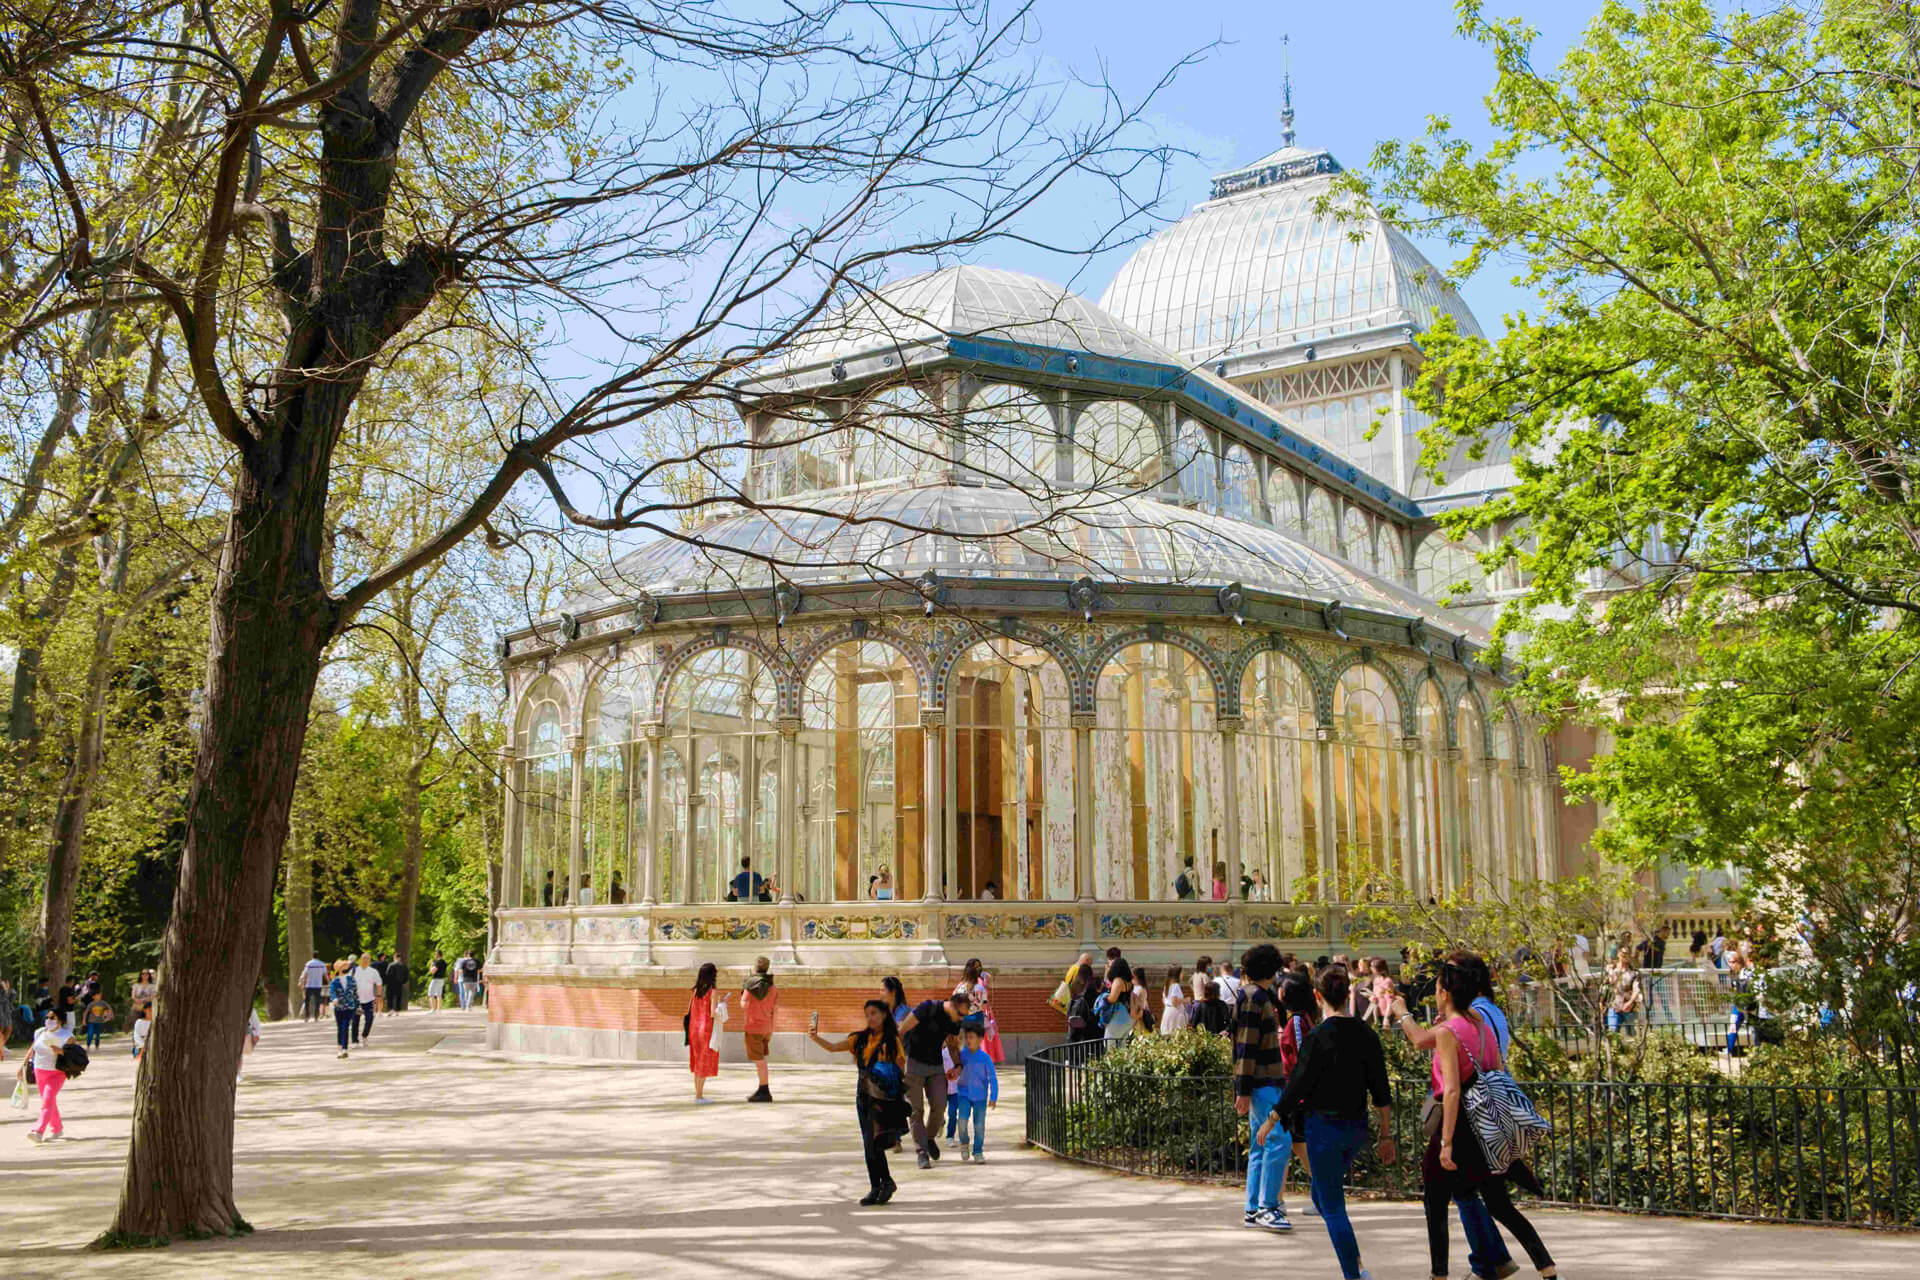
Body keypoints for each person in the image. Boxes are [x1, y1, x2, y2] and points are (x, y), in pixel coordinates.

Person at [1391, 961, 1558, 1280]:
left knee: (1435, 1200)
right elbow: (1495, 1067)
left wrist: (1446, 1143)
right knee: (1499, 1203)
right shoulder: (1480, 1019)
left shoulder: (1448, 1031)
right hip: (1486, 1123)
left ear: (1444, 993)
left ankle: (1439, 1274)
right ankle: (1548, 1269)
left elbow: (1451, 1091)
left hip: (1459, 1123)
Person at [1268, 964, 1395, 1280]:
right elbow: (1381, 1089)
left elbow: (1298, 1083)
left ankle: (1355, 1274)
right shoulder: (1366, 1034)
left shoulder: (1317, 1038)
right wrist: (1386, 1134)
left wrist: (1272, 1117)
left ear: (1317, 996)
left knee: (1334, 1208)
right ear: (1347, 993)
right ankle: (1356, 1265)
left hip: (1325, 1130)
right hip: (1355, 1129)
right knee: (1322, 1196)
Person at [808, 999, 905, 1205]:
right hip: (863, 1095)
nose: (870, 1017)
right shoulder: (859, 1039)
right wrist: (816, 1038)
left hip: (883, 1098)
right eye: (867, 1014)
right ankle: (880, 1185)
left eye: (874, 1013)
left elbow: (901, 1069)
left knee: (875, 1141)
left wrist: (899, 1098)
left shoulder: (892, 1041)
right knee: (869, 1143)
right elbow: (834, 1048)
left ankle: (882, 1184)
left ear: (884, 1015)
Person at [1232, 943, 1290, 1232]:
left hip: (1260, 1082)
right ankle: (1267, 1206)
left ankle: (1254, 1208)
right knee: (1279, 1139)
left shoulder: (1253, 995)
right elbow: (1246, 1045)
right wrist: (1241, 1090)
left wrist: (1242, 1088)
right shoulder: (1255, 997)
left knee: (1261, 1143)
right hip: (1263, 1081)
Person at [898, 987, 969, 1168]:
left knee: (940, 1104)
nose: (962, 1019)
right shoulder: (927, 1008)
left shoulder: (954, 1022)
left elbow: (953, 1045)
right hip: (913, 1063)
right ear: (952, 1007)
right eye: (961, 1015)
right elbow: (901, 1031)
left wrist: (958, 1066)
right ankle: (921, 1152)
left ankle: (929, 1138)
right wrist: (898, 1060)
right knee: (916, 1111)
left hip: (935, 1065)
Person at [1273, 972, 1318, 1226]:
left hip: (1295, 1095)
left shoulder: (1297, 1022)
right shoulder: (1299, 1020)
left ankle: (1278, 1200)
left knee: (1293, 1147)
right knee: (1292, 1147)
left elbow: (1302, 1057)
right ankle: (1277, 1199)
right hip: (1293, 1093)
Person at [24, 1007, 74, 1142]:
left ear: (60, 1020)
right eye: (47, 1017)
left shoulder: (67, 1035)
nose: (48, 1020)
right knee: (49, 1101)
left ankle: (38, 1131)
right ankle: (57, 1129)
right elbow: (32, 1049)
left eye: (52, 1018)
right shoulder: (40, 1032)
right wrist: (22, 1066)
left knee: (47, 1100)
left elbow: (76, 1054)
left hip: (57, 1073)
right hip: (39, 1070)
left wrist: (61, 1051)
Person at [952, 1022, 999, 1162]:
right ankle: (964, 1143)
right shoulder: (961, 1055)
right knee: (961, 1121)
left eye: (971, 1037)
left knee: (979, 1125)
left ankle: (978, 1151)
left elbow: (992, 1078)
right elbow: (955, 1069)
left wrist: (993, 1096)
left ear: (980, 1039)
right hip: (964, 1095)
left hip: (980, 1097)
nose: (968, 1040)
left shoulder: (985, 1058)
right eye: (966, 1037)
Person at [741, 956, 778, 1103]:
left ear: (755, 968)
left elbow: (743, 1005)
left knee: (759, 1061)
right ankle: (762, 1089)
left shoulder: (749, 987)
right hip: (766, 1027)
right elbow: (776, 1010)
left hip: (753, 1026)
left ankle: (764, 1090)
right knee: (761, 1059)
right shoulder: (773, 989)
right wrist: (771, 1030)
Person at [954, 958, 1003, 1062]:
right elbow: (984, 1004)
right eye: (976, 967)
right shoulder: (979, 985)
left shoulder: (960, 986)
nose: (979, 969)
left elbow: (954, 1001)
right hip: (977, 1017)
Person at [687, 962, 723, 1103]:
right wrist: (722, 1006)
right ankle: (699, 1096)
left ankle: (698, 1093)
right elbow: (713, 1013)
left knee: (697, 1062)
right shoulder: (713, 991)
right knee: (703, 1062)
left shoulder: (695, 991)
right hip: (706, 1029)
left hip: (694, 1029)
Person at [327, 959, 360, 1058]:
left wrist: (358, 1006)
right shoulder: (335, 981)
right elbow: (332, 992)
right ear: (339, 969)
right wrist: (334, 999)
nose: (346, 967)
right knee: (340, 1028)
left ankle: (345, 1049)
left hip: (350, 1007)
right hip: (339, 1008)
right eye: (343, 966)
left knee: (345, 1027)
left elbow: (355, 994)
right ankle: (339, 1049)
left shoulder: (352, 980)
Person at [1606, 946, 1643, 1032]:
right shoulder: (1611, 968)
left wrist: (1630, 1002)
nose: (1625, 955)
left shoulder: (1634, 972)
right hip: (1614, 1004)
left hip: (1629, 1007)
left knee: (1632, 1034)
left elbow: (1636, 989)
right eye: (1623, 953)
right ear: (1618, 954)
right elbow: (1609, 983)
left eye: (1628, 954)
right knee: (1612, 1032)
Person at [1094, 962, 1134, 1041]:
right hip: (1128, 1016)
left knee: (1109, 1043)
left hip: (1118, 1016)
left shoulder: (1118, 981)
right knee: (1121, 1045)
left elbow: (1112, 999)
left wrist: (1104, 997)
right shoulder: (1128, 982)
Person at [352, 952, 382, 1041]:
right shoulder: (355, 971)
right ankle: (354, 1040)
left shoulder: (373, 972)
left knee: (369, 1019)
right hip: (357, 1000)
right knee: (355, 1021)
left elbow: (379, 983)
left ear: (370, 960)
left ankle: (364, 1035)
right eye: (364, 958)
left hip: (369, 1000)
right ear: (361, 959)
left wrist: (378, 995)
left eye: (367, 958)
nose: (365, 959)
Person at [1365, 958, 1397, 1027]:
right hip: (1377, 1014)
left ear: (1378, 968)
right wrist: (1371, 997)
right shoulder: (1376, 980)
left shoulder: (1387, 981)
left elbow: (1390, 1001)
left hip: (1386, 1014)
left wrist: (1386, 1018)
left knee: (1387, 1036)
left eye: (1372, 966)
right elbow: (1375, 995)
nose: (1370, 968)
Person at [299, 953, 328, 1021]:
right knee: (317, 1001)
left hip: (309, 985)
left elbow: (305, 974)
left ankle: (307, 1016)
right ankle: (316, 1016)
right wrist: (329, 982)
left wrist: (303, 983)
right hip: (318, 985)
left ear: (312, 956)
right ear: (318, 956)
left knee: (307, 1001)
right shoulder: (322, 964)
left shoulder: (308, 964)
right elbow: (325, 975)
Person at [1160, 965, 1188, 1034]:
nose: (1183, 975)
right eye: (1181, 973)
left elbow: (1164, 1000)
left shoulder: (1167, 985)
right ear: (1177, 974)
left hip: (1167, 1012)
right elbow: (1174, 1001)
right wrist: (1185, 1000)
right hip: (1175, 1014)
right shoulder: (1175, 985)